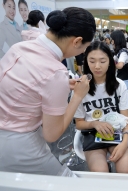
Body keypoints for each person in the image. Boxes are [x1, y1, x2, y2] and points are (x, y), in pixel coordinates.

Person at [0, 7, 96, 175]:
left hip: (8, 135)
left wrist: (62, 85)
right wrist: (78, 96)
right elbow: (52, 134)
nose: (83, 52)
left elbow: (26, 85)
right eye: (84, 48)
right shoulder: (55, 72)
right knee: (63, 181)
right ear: (77, 41)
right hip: (18, 144)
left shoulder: (19, 48)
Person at [74, 41, 128, 173]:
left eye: (102, 61)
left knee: (126, 172)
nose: (97, 66)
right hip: (92, 134)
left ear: (110, 62)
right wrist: (95, 124)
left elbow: (126, 120)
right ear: (86, 62)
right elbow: (78, 124)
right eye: (92, 61)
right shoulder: (81, 87)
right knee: (100, 176)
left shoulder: (119, 85)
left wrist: (125, 142)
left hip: (117, 132)